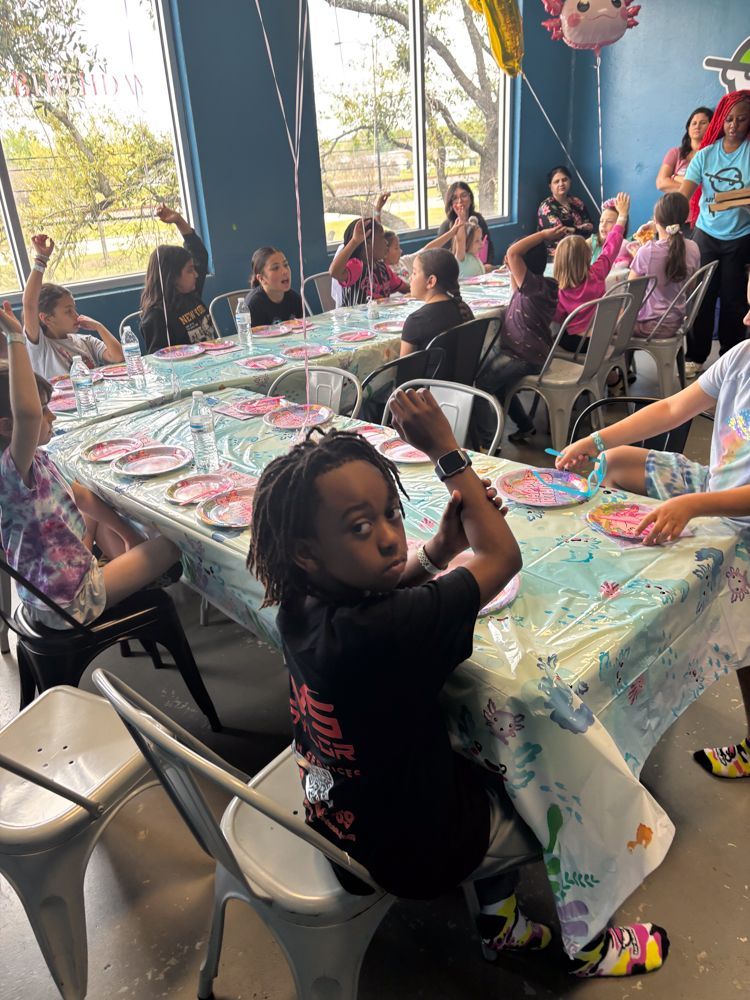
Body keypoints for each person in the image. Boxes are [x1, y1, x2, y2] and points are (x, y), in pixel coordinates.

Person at [247, 389, 669, 978]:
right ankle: (583, 942)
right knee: (562, 779)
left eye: (392, 514)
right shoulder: (390, 630)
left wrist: (441, 547)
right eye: (360, 527)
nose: (392, 538)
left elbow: (402, 586)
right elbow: (501, 555)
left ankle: (501, 920)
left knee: (476, 741)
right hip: (414, 851)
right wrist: (448, 452)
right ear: (307, 553)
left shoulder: (298, 601)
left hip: (332, 809)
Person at [556, 338, 750, 780]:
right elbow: (670, 410)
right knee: (618, 462)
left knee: (741, 624)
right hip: (712, 488)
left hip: (742, 525)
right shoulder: (742, 357)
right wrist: (594, 438)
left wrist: (695, 506)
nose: (746, 319)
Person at [0, 234, 181, 629]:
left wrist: (128, 537)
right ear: (9, 426)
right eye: (44, 411)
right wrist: (14, 335)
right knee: (174, 544)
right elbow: (27, 414)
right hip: (69, 601)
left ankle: (124, 557)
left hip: (47, 591)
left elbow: (82, 495)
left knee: (110, 513)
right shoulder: (14, 468)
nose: (48, 416)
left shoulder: (38, 463)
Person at [680, 89, 750, 375]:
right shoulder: (706, 155)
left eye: (742, 119)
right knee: (701, 297)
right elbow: (684, 194)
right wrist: (662, 219)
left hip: (740, 238)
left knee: (734, 302)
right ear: (720, 120)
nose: (733, 125)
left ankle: (728, 361)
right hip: (706, 235)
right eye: (729, 119)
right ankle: (695, 356)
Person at [476, 226, 566, 444]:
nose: (508, 260)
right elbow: (515, 262)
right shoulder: (543, 285)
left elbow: (514, 253)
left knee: (482, 385)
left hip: (523, 357)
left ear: (521, 263)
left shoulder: (533, 287)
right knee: (500, 385)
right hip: (531, 353)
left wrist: (544, 235)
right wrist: (511, 266)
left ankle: (487, 442)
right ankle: (525, 425)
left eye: (512, 259)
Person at [21, 246, 123, 382]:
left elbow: (118, 357)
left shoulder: (85, 341)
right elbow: (29, 304)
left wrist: (99, 327)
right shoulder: (40, 347)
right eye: (68, 311)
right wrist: (41, 260)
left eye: (74, 309)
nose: (76, 315)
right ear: (47, 318)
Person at [553, 192, 630, 353]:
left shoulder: (561, 290)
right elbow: (611, 247)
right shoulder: (597, 273)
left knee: (554, 337)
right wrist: (622, 216)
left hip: (577, 344)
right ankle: (611, 375)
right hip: (601, 338)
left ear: (558, 264)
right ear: (588, 256)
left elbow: (558, 318)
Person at [139, 203, 215, 353]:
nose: (197, 274)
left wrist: (179, 221)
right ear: (172, 277)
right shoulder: (157, 316)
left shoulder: (191, 293)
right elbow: (160, 360)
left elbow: (199, 254)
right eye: (190, 270)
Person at [629, 193, 700, 339]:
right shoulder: (693, 247)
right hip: (676, 321)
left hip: (650, 325)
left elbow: (631, 290)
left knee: (604, 323)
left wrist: (638, 256)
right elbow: (691, 286)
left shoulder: (647, 252)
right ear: (686, 218)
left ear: (655, 220)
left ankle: (623, 361)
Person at [399, 249, 473, 356]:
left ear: (431, 281)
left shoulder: (416, 321)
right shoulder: (463, 308)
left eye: (414, 273)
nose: (410, 278)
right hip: (467, 373)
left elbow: (404, 369)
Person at [329, 217, 409, 306]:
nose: (386, 242)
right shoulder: (357, 266)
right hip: (357, 320)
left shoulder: (384, 269)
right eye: (382, 237)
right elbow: (334, 272)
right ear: (368, 244)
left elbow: (406, 288)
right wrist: (355, 241)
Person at [656, 106, 713, 194]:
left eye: (703, 123)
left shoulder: (715, 153)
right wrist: (693, 189)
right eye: (694, 123)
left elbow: (709, 185)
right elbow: (661, 183)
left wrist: (675, 178)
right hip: (678, 206)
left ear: (712, 126)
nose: (697, 126)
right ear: (688, 128)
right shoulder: (675, 153)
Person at [384, 221, 462, 283]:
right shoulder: (381, 270)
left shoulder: (404, 261)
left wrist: (451, 233)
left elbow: (427, 249)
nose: (401, 251)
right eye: (396, 248)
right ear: (385, 251)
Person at [437, 181, 495, 265]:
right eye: (455, 198)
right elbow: (445, 259)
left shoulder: (479, 219)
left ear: (470, 198)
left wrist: (487, 265)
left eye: (463, 196)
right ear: (451, 204)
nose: (460, 201)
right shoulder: (446, 226)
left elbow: (489, 246)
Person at [244, 247, 303, 327]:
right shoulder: (253, 305)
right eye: (275, 268)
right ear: (261, 278)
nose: (285, 271)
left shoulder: (294, 298)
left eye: (285, 265)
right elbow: (251, 337)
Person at [538, 165, 596, 238]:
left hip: (583, 244)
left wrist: (572, 229)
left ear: (570, 181)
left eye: (564, 180)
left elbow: (590, 226)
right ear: (550, 186)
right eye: (556, 182)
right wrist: (580, 228)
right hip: (559, 248)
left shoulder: (577, 202)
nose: (561, 184)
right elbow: (559, 233)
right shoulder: (546, 207)